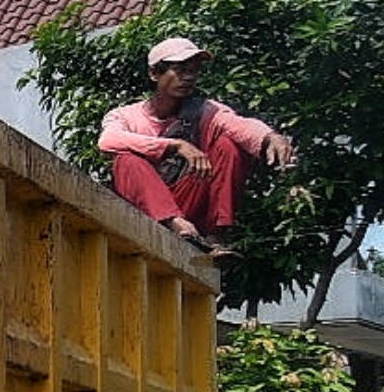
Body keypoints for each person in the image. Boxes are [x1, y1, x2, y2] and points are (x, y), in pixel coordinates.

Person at [98, 36, 298, 256]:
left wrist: (271, 138)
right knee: (127, 160)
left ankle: (216, 235)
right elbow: (108, 140)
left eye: (193, 71)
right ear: (155, 73)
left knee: (227, 144)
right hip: (145, 208)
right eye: (180, 70)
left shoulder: (203, 111)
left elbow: (237, 125)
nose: (188, 77)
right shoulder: (124, 115)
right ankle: (174, 223)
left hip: (189, 201)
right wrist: (175, 145)